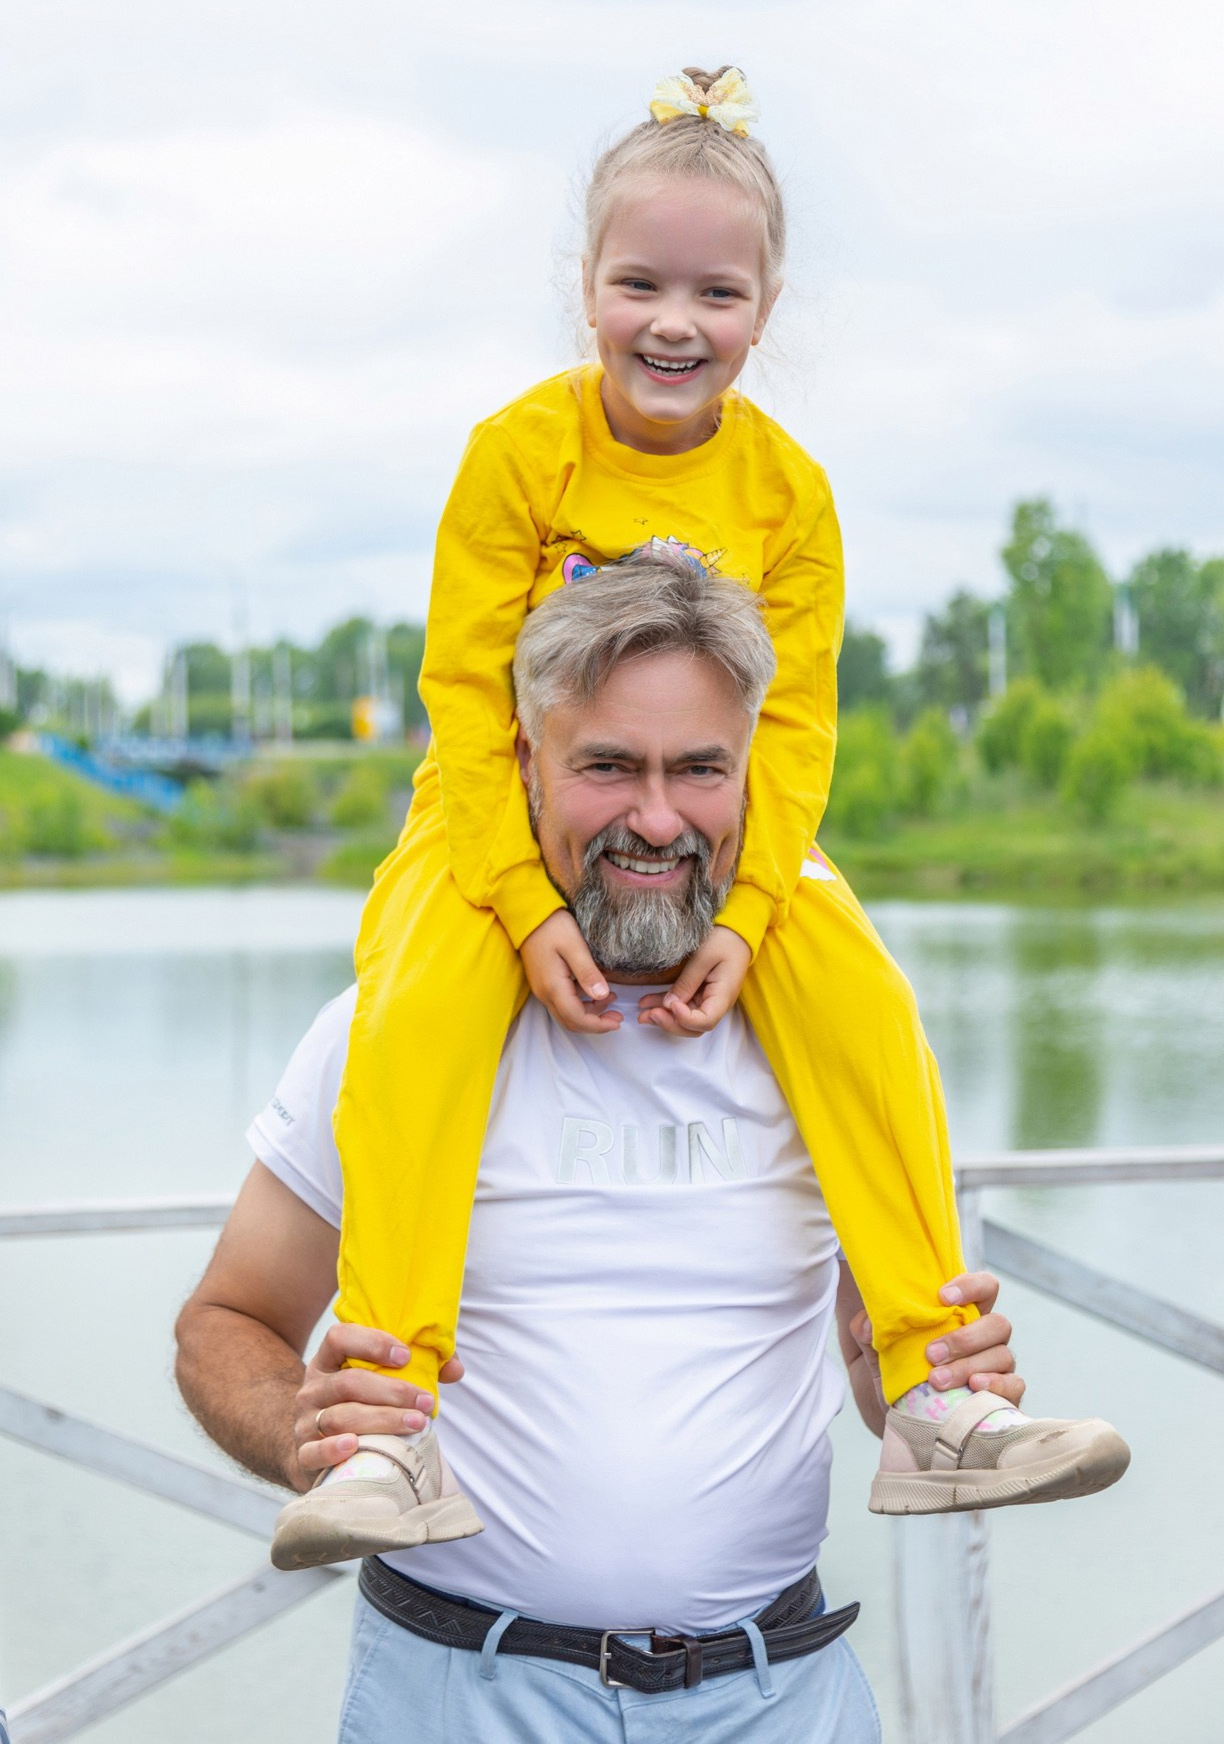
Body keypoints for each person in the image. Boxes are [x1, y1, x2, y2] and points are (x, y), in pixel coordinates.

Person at [283, 65, 1128, 1565]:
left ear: (767, 302)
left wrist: (751, 917)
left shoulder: (790, 493)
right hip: (488, 819)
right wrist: (525, 905)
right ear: (586, 291)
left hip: (736, 841)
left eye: (716, 291)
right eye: (641, 283)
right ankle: (391, 1420)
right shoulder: (516, 455)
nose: (676, 321)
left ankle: (936, 1388)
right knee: (414, 1006)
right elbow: (467, 700)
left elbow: (792, 730)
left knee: (860, 988)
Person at [176, 558, 1060, 1742]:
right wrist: (305, 1432)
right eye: (608, 766)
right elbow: (224, 1320)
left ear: (757, 772)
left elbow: (871, 1372)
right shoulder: (394, 1032)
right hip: (461, 1691)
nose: (658, 817)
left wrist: (919, 1375)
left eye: (700, 768)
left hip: (782, 1692)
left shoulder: (837, 1034)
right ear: (525, 768)